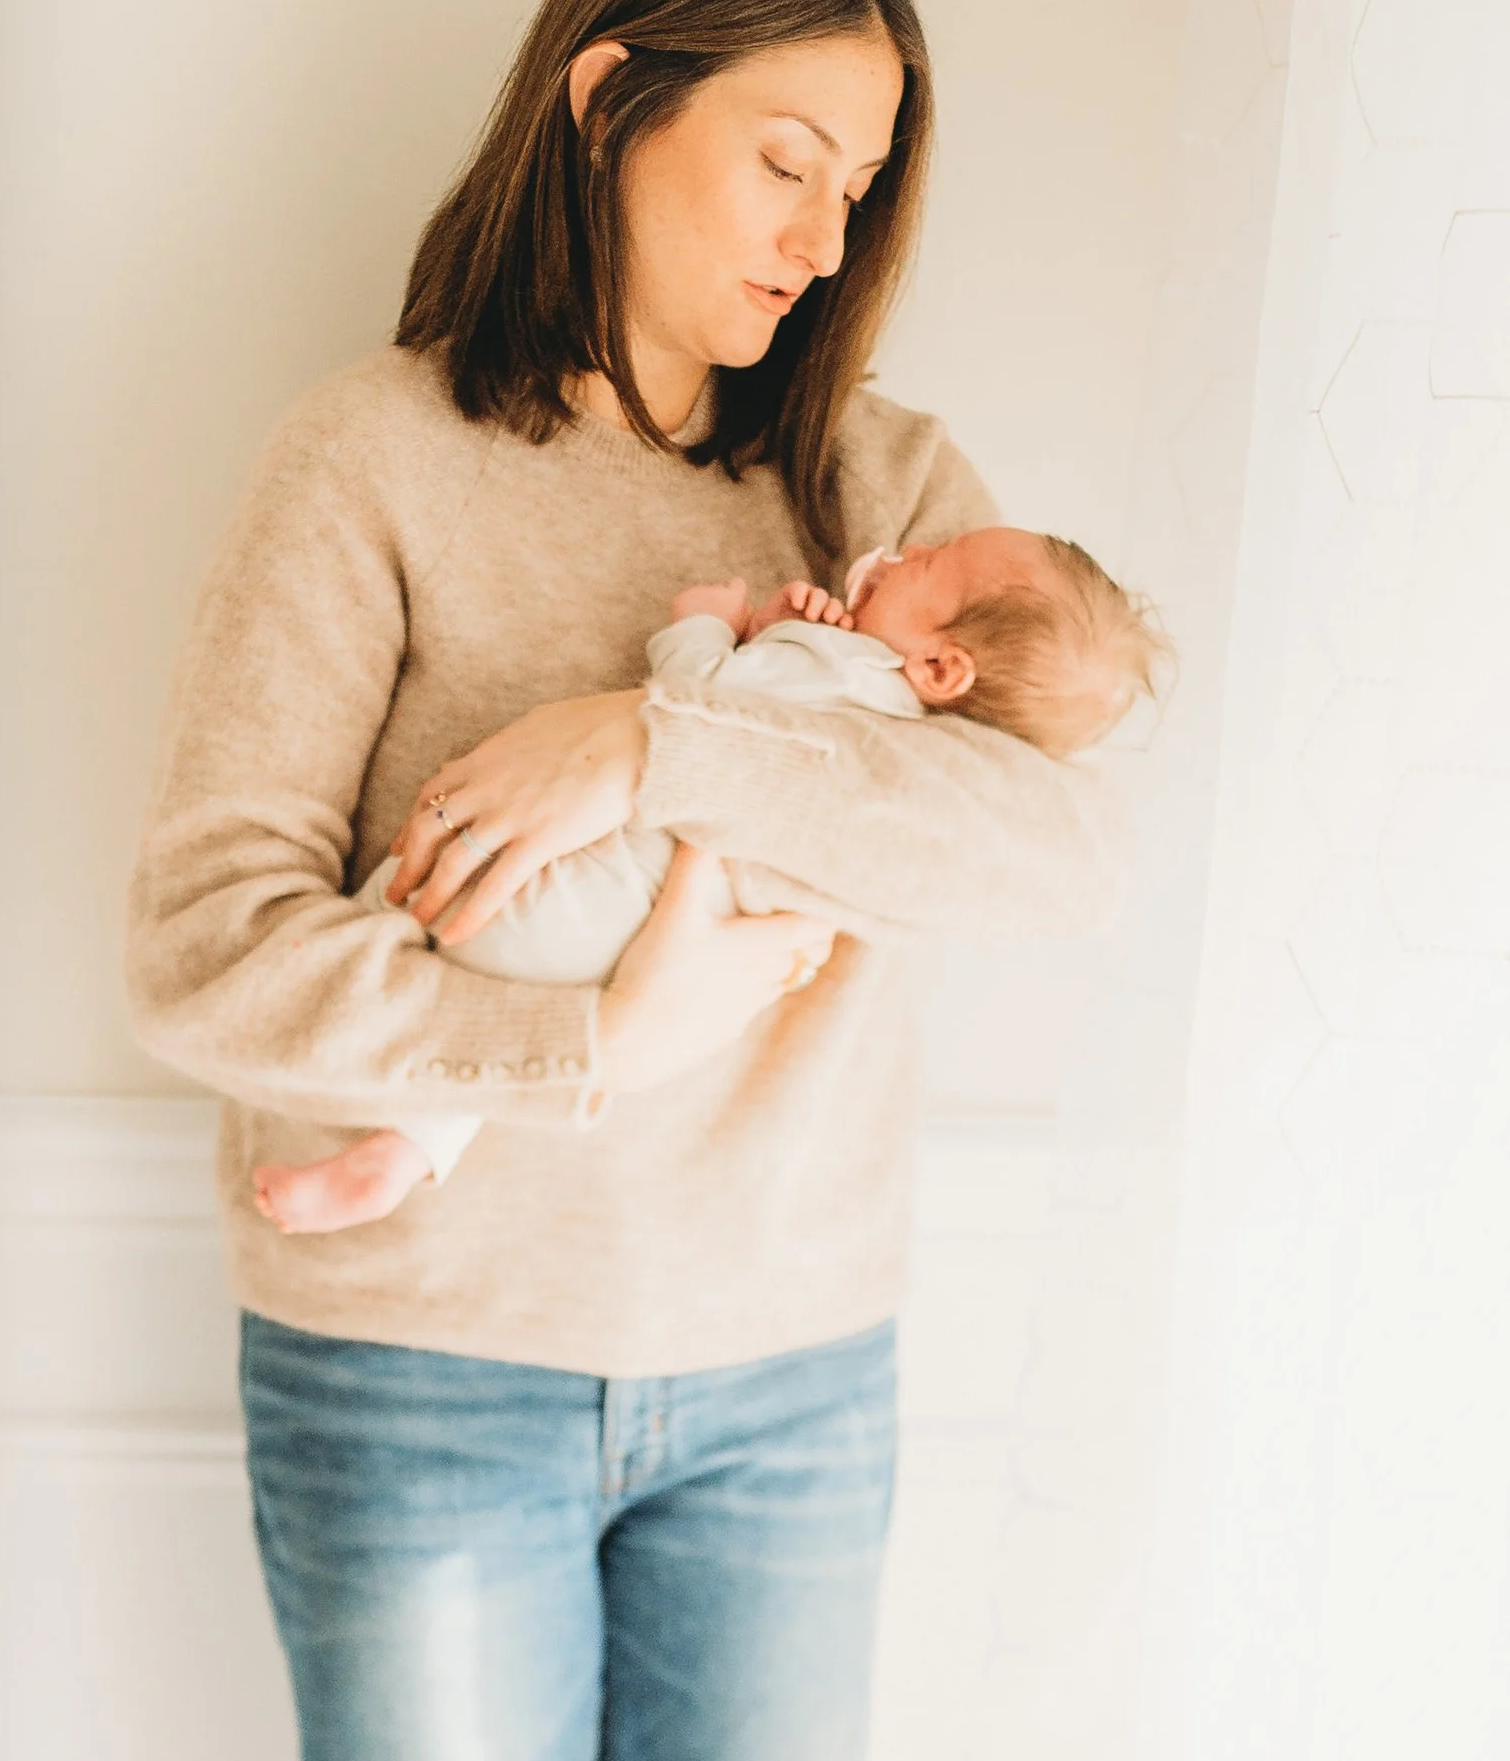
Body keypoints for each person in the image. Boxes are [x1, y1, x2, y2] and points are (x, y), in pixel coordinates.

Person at [124, 0, 1133, 1761]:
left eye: (859, 184)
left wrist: (650, 742)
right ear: (607, 99)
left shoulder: (877, 495)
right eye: (784, 157)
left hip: (786, 1383)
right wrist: (583, 1050)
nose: (824, 234)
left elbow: (1052, 849)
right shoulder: (368, 460)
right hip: (415, 1384)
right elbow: (205, 946)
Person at [253, 527, 1167, 1232]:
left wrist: (705, 623)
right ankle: (404, 1150)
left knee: (404, 904)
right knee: (487, 1010)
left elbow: (699, 699)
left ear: (939, 665)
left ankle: (389, 1124)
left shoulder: (840, 660)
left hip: (563, 900)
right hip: (629, 959)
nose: (903, 549)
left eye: (927, 563)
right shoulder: (905, 733)